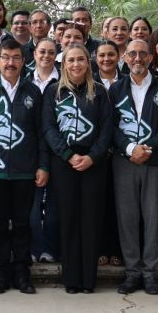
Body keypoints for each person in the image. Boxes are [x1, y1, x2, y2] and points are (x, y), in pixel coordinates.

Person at [0, 39, 48, 295]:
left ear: (24, 61)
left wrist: (43, 165)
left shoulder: (33, 91)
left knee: (23, 224)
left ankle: (22, 272)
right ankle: (1, 272)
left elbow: (41, 132)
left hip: (25, 170)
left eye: (16, 57)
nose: (10, 62)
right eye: (5, 57)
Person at [110, 39, 158, 295]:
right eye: (132, 54)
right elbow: (110, 125)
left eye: (142, 53)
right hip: (125, 161)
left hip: (156, 161)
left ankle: (149, 272)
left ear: (151, 57)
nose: (137, 58)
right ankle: (132, 271)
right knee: (127, 217)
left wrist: (147, 148)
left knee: (153, 217)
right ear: (125, 58)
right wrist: (131, 148)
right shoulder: (116, 89)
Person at [43, 44, 113, 293]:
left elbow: (107, 129)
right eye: (71, 60)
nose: (76, 64)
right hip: (64, 163)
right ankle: (71, 279)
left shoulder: (100, 92)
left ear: (88, 63)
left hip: (94, 164)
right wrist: (68, 155)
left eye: (80, 59)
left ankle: (88, 280)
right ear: (64, 64)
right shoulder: (53, 92)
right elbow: (48, 128)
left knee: (90, 220)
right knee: (69, 219)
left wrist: (92, 157)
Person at [26, 38, 60, 265]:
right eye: (42, 52)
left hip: (57, 148)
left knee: (54, 204)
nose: (46, 56)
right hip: (31, 148)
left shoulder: (64, 79)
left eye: (50, 52)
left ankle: (49, 248)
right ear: (34, 54)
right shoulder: (25, 79)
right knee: (32, 204)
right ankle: (33, 247)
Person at [94, 41, 122, 267]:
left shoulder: (127, 81)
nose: (106, 59)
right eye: (102, 55)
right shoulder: (90, 82)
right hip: (97, 153)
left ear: (118, 56)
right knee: (100, 202)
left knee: (120, 203)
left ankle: (118, 249)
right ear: (95, 58)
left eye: (111, 54)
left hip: (123, 152)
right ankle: (102, 247)